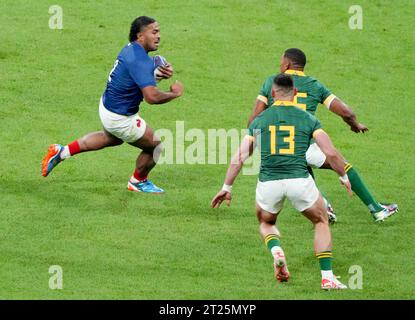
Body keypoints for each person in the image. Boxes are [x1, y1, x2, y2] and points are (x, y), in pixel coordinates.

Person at [211, 74, 350, 289]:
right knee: (321, 221)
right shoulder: (308, 119)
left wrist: (226, 187)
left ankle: (277, 252)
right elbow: (330, 152)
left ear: (273, 94)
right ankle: (327, 277)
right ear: (294, 94)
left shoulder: (259, 121)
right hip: (299, 182)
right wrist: (343, 176)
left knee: (266, 222)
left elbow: (239, 157)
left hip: (269, 184)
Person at [248, 48, 397, 222]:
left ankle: (324, 206)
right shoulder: (314, 85)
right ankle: (376, 209)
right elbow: (345, 111)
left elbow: (254, 120)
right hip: (306, 145)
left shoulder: (272, 83)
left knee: (301, 167)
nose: (280, 64)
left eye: (281, 61)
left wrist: (257, 142)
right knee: (341, 164)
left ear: (287, 63)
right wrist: (355, 124)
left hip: (278, 147)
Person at [41, 16, 184, 193]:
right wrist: (174, 93)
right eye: (154, 32)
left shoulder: (130, 49)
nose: (159, 35)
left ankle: (61, 152)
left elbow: (141, 69)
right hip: (121, 117)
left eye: (159, 31)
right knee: (155, 146)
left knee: (112, 138)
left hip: (107, 106)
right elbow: (152, 97)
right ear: (140, 36)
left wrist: (157, 63)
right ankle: (138, 182)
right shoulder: (140, 61)